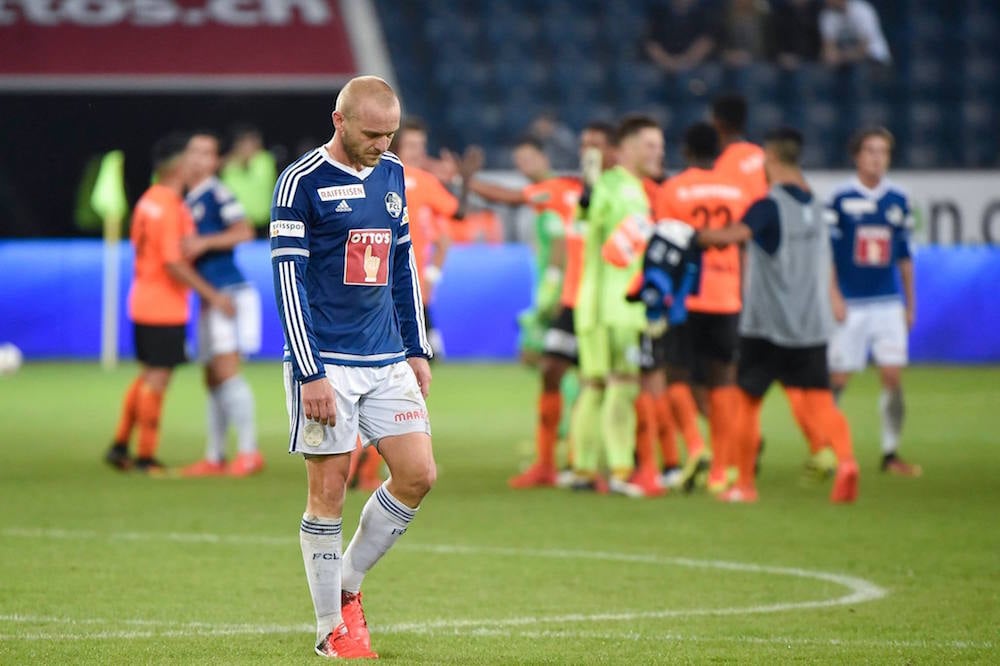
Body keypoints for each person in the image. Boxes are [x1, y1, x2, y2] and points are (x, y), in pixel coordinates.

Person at [270, 76, 434, 659]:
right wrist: (308, 372)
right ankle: (329, 629)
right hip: (327, 364)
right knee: (329, 492)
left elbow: (401, 265)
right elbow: (287, 279)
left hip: (388, 356)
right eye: (372, 134)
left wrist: (417, 347)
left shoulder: (392, 173)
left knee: (418, 475)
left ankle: (346, 586)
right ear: (338, 120)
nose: (383, 144)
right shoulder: (299, 183)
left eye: (391, 134)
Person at [683, 127, 859, 503]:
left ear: (772, 160)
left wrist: (689, 236)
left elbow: (733, 236)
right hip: (810, 324)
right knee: (820, 401)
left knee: (747, 403)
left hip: (767, 325)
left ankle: (744, 485)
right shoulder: (816, 205)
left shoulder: (767, 205)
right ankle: (846, 461)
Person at [477, 123, 616, 489]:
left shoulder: (614, 190)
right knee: (553, 370)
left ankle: (613, 464)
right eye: (585, 144)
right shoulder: (563, 190)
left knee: (606, 382)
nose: (589, 151)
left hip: (601, 301)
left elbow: (557, 245)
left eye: (596, 145)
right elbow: (514, 202)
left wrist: (548, 292)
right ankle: (550, 463)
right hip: (572, 299)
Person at [105, 132, 235, 474]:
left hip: (144, 298)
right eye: (191, 156)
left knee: (148, 374)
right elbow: (173, 262)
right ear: (178, 165)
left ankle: (120, 445)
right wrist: (213, 295)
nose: (196, 162)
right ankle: (146, 457)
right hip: (162, 305)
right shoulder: (166, 207)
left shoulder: (149, 199)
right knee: (157, 380)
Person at [654, 122, 752, 493]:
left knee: (675, 373)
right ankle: (721, 471)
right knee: (723, 380)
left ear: (685, 151)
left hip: (686, 294)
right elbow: (742, 244)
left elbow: (666, 242)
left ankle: (696, 445)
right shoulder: (738, 191)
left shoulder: (675, 189)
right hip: (727, 294)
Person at [572, 115, 665, 497]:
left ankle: (582, 468)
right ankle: (622, 471)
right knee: (623, 386)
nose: (658, 152)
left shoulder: (632, 188)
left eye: (659, 145)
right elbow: (587, 213)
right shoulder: (622, 189)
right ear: (625, 149)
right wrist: (589, 187)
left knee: (594, 387)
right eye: (649, 145)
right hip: (618, 306)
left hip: (591, 304)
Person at [827, 126, 921, 476]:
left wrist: (910, 304)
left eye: (883, 151)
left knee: (893, 376)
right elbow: (829, 255)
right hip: (850, 304)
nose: (877, 157)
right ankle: (827, 447)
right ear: (857, 155)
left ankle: (890, 452)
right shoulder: (839, 198)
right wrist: (834, 296)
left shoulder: (899, 199)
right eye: (870, 150)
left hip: (886, 302)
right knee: (838, 379)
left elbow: (905, 256)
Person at [178, 131, 264, 478]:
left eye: (206, 153)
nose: (198, 159)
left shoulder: (217, 192)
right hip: (209, 295)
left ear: (215, 161)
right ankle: (214, 456)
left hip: (229, 291)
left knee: (227, 370)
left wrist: (204, 242)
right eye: (193, 152)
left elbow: (245, 231)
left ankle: (249, 452)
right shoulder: (187, 198)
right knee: (212, 377)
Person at [220, 124, 278, 238]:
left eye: (253, 141)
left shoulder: (265, 160)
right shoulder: (227, 164)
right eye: (244, 142)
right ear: (236, 144)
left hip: (264, 224)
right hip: (235, 223)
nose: (248, 146)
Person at [644, 0, 721, 74]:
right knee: (649, 75)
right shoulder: (658, 13)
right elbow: (651, 44)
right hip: (663, 63)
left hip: (696, 63)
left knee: (710, 73)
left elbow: (706, 42)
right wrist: (668, 62)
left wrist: (686, 61)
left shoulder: (705, 14)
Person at [820, 0, 891, 68]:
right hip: (845, 62)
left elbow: (864, 49)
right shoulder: (827, 16)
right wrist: (832, 56)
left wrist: (840, 56)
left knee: (860, 71)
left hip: (875, 59)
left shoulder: (862, 10)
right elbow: (828, 50)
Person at [770, 0, 822, 69]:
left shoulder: (818, 11)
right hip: (787, 59)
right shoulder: (780, 13)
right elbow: (774, 44)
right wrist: (782, 56)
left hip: (814, 59)